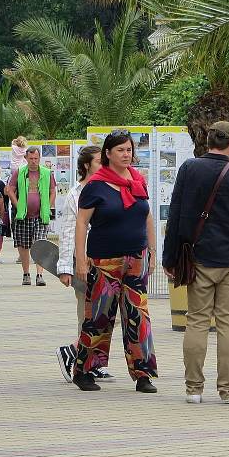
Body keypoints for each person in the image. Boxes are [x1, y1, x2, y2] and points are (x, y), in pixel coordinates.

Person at [163, 121, 229, 405]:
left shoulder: (188, 169)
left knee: (196, 321)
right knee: (228, 324)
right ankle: (228, 390)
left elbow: (175, 215)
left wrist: (169, 257)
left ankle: (193, 389)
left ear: (207, 141)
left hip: (197, 259)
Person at [72, 130, 157, 393]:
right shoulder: (95, 185)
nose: (126, 154)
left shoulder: (138, 180)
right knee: (99, 316)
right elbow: (81, 222)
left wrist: (152, 251)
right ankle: (84, 370)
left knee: (138, 315)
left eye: (129, 149)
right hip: (103, 260)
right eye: (120, 150)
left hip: (136, 257)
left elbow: (148, 217)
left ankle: (143, 374)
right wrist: (81, 260)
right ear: (107, 154)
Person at [55, 145, 116, 383]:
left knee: (109, 314)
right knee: (89, 313)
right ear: (86, 165)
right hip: (86, 261)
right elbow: (69, 231)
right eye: (100, 161)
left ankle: (90, 359)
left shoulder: (111, 187)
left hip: (109, 259)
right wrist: (66, 267)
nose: (105, 164)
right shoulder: (76, 194)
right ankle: (78, 356)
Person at [6, 147, 56, 286]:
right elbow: (10, 190)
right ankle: (26, 273)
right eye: (31, 158)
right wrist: (17, 205)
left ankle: (40, 274)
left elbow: (53, 191)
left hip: (40, 216)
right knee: (23, 245)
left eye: (36, 158)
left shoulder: (46, 173)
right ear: (26, 158)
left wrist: (48, 206)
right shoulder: (20, 172)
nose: (34, 161)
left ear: (39, 159)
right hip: (23, 216)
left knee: (40, 243)